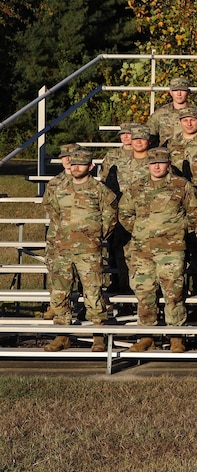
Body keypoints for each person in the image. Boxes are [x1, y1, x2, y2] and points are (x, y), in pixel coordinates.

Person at [115, 147, 197, 353]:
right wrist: (140, 230)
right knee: (144, 292)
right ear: (148, 165)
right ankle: (147, 335)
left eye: (161, 162)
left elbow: (195, 213)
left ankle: (176, 335)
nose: (157, 166)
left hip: (171, 249)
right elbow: (125, 213)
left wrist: (178, 229)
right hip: (143, 250)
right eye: (153, 163)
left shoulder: (181, 186)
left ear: (169, 164)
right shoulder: (137, 187)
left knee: (173, 292)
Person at [41, 148, 117, 353]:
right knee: (60, 292)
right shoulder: (59, 188)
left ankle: (98, 335)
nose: (75, 167)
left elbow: (110, 218)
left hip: (88, 250)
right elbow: (53, 213)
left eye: (81, 164)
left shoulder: (100, 190)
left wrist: (96, 238)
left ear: (90, 167)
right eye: (73, 163)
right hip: (62, 249)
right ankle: (62, 334)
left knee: (92, 292)